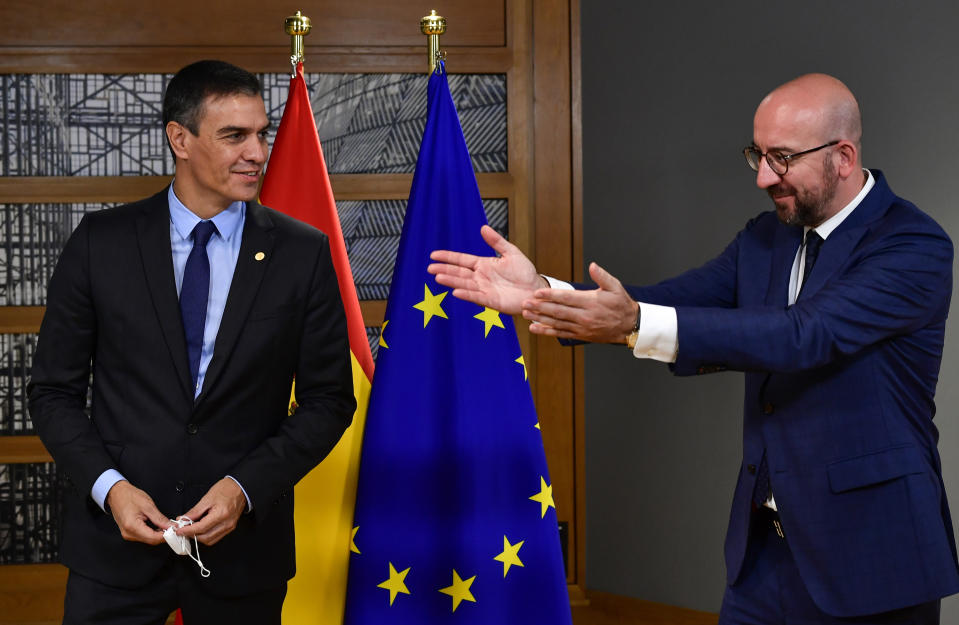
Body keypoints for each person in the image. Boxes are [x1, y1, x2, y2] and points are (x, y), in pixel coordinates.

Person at [428, 73, 959, 623]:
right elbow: (665, 302)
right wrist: (544, 291)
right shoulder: (764, 237)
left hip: (874, 557)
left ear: (843, 157)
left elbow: (805, 335)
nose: (761, 177)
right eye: (756, 154)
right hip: (762, 560)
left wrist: (632, 321)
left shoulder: (911, 245)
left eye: (781, 158)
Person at [28, 60, 355, 624]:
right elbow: (53, 393)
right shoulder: (100, 244)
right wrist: (111, 490)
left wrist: (244, 489)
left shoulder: (302, 253)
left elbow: (329, 401)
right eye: (234, 136)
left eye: (261, 133)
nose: (256, 152)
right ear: (179, 138)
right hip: (115, 553)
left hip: (244, 557)